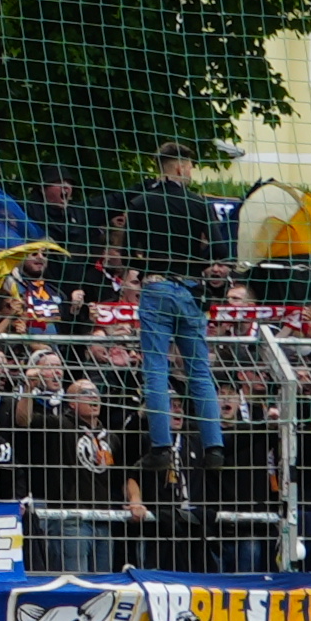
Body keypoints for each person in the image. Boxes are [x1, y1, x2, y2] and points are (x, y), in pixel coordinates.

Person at [113, 143, 229, 510]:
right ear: (181, 167)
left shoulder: (142, 202)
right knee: (199, 372)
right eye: (190, 166)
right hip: (190, 291)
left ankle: (161, 446)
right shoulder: (199, 204)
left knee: (157, 370)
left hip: (157, 287)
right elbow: (220, 249)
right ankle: (214, 447)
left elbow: (131, 251)